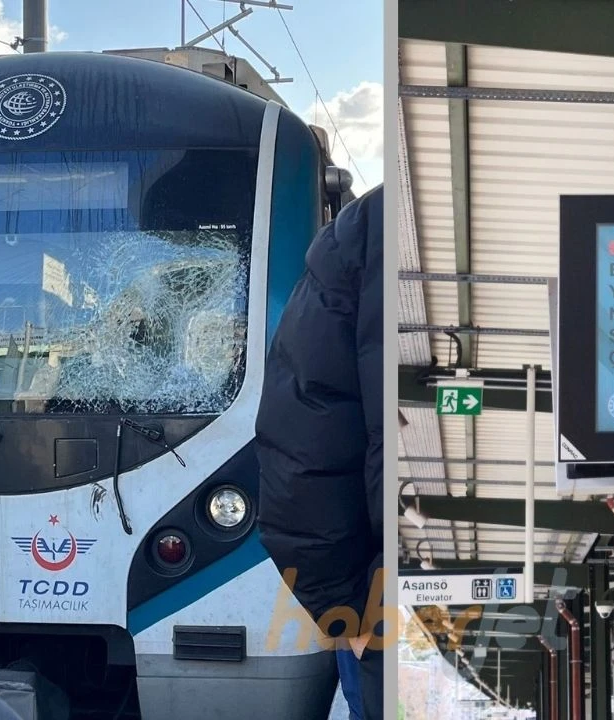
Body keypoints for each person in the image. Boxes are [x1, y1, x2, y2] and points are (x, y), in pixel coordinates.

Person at [256, 184, 383, 720]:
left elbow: (301, 446)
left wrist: (346, 614)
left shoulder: (362, 233)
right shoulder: (358, 237)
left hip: (383, 614)